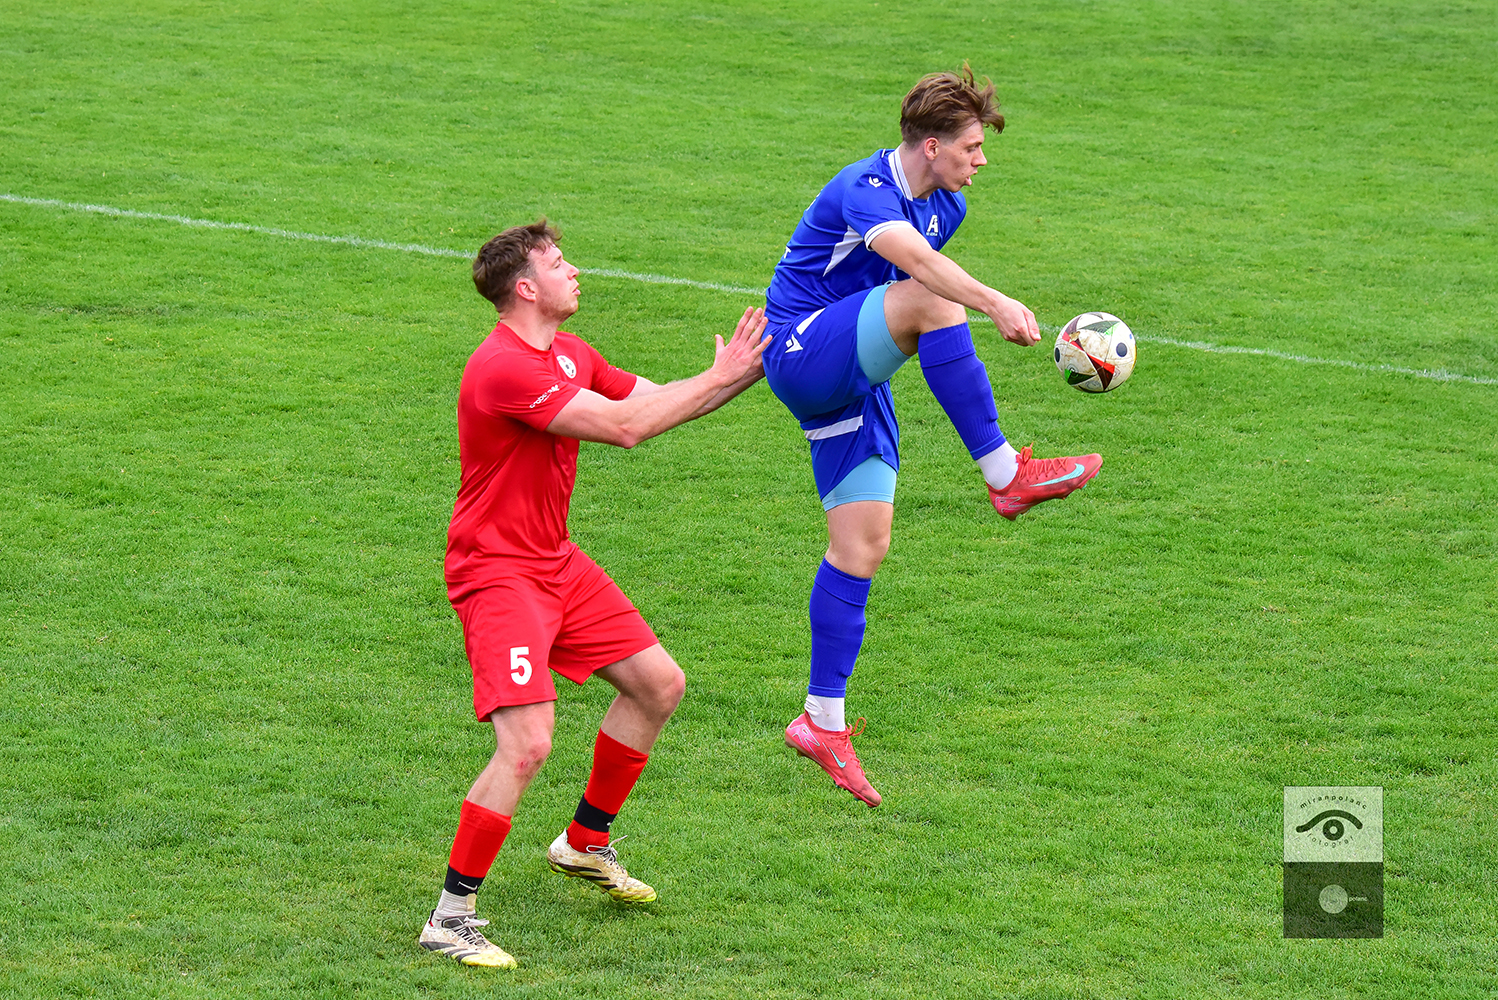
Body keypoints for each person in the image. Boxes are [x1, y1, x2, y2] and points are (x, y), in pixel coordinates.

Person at [418, 219, 768, 969]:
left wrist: (761, 365)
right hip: (498, 572)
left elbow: (660, 403)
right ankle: (451, 917)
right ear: (525, 288)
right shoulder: (502, 368)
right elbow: (625, 428)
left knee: (658, 684)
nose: (573, 271)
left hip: (554, 560)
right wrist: (722, 375)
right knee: (527, 743)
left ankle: (584, 841)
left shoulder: (571, 353)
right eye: (557, 263)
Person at [761, 66, 1103, 808]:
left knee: (862, 545)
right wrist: (994, 301)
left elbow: (917, 270)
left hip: (853, 376)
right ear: (930, 147)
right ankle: (1004, 472)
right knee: (931, 295)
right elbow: (915, 267)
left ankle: (821, 721)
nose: (980, 160)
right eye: (971, 147)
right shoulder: (866, 186)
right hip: (801, 348)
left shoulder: (948, 205)